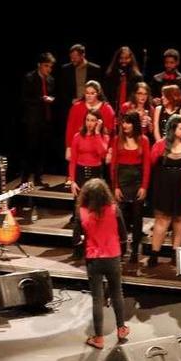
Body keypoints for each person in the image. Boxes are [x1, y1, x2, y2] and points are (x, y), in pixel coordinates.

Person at [75, 179, 129, 349]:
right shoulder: (114, 209)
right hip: (113, 256)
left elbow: (76, 239)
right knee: (117, 293)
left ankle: (98, 338)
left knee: (97, 299)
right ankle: (121, 328)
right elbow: (123, 234)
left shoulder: (82, 212)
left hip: (94, 259)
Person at [148, 115, 181, 267]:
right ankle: (154, 254)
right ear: (172, 129)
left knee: (179, 220)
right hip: (164, 188)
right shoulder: (160, 145)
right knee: (162, 220)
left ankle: (176, 255)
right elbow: (151, 165)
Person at [110, 112, 150, 263]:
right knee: (121, 218)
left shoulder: (144, 140)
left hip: (137, 183)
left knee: (137, 218)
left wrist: (144, 186)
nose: (125, 125)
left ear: (135, 124)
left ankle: (134, 251)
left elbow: (146, 166)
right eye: (123, 122)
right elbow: (113, 166)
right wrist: (116, 187)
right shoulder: (117, 140)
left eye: (128, 122)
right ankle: (121, 248)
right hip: (122, 182)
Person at [69, 110, 110, 258]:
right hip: (80, 175)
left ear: (99, 122)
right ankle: (77, 247)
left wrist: (97, 133)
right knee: (79, 212)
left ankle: (93, 246)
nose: (90, 123)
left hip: (95, 176)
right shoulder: (77, 137)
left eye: (93, 120)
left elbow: (102, 153)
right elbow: (73, 160)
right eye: (88, 120)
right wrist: (72, 181)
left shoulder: (103, 136)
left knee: (94, 213)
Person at [20, 52, 56, 187]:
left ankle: (38, 178)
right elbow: (25, 99)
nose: (48, 69)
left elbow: (53, 96)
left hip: (45, 120)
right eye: (46, 66)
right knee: (30, 150)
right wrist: (42, 99)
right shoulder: (29, 78)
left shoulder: (51, 80)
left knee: (42, 150)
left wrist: (52, 99)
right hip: (32, 121)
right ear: (39, 65)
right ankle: (24, 179)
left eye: (50, 67)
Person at [103, 46, 145, 117]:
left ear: (131, 59)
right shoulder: (110, 75)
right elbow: (105, 93)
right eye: (121, 58)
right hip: (112, 109)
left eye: (126, 58)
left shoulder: (137, 77)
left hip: (130, 110)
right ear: (117, 59)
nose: (123, 61)